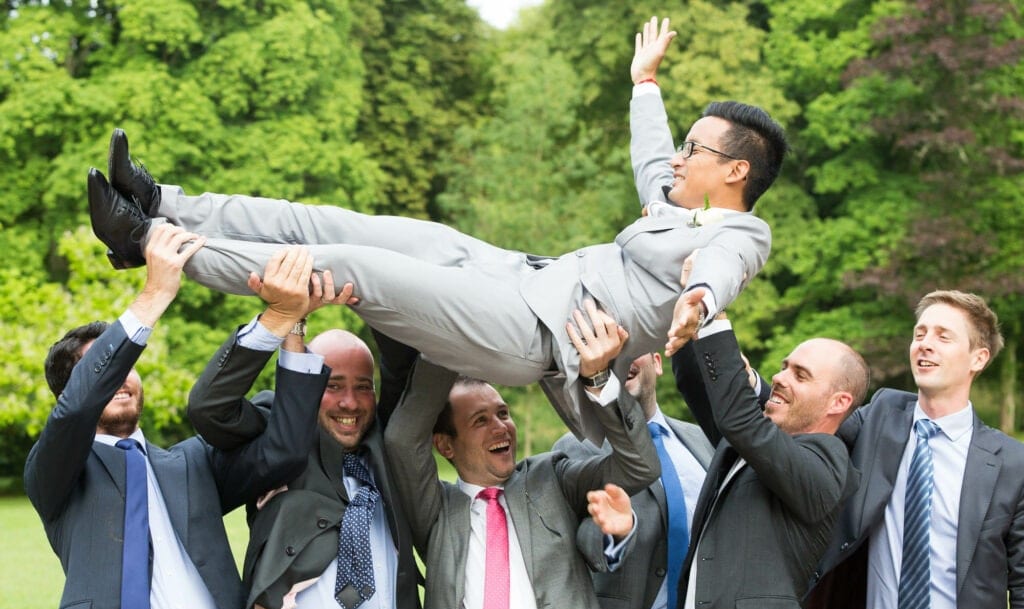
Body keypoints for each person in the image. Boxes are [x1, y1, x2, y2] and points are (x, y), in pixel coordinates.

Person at [86, 72, 787, 442]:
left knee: (350, 270)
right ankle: (163, 200)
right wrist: (645, 84)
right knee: (331, 221)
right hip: (515, 270)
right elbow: (648, 158)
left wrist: (698, 301)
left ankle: (142, 240)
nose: (679, 155)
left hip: (533, 332)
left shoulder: (740, 236)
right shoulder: (672, 208)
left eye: (695, 148)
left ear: (734, 173)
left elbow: (725, 270)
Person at [24, 223, 328, 609]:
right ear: (72, 389)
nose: (124, 378)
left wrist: (287, 325)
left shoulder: (190, 463)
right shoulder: (56, 473)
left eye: (129, 369)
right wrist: (154, 294)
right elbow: (74, 412)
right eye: (105, 370)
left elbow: (283, 451)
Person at [379, 301, 660, 609]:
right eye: (480, 420)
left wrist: (598, 381)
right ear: (446, 445)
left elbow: (639, 465)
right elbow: (400, 440)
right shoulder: (436, 512)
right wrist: (447, 341)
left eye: (503, 412)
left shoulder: (551, 478)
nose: (501, 427)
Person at [186, 250, 424, 609]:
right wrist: (284, 321)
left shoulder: (390, 447)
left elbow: (403, 368)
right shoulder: (280, 433)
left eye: (361, 388)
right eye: (332, 385)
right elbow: (210, 407)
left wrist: (368, 292)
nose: (349, 402)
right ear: (310, 383)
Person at [804, 291, 1024, 609]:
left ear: (979, 358)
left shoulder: (1011, 464)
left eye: (943, 335)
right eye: (919, 333)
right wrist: (753, 382)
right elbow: (815, 418)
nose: (924, 343)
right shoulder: (880, 418)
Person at [668, 293, 870, 609]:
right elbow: (697, 382)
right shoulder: (747, 445)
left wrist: (715, 312)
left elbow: (740, 419)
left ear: (838, 402)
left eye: (801, 374)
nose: (777, 377)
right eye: (784, 366)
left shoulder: (828, 463)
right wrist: (690, 303)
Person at [559, 350, 715, 609]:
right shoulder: (578, 447)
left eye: (633, 345)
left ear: (657, 363)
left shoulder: (702, 441)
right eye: (610, 352)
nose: (620, 357)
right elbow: (581, 542)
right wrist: (617, 533)